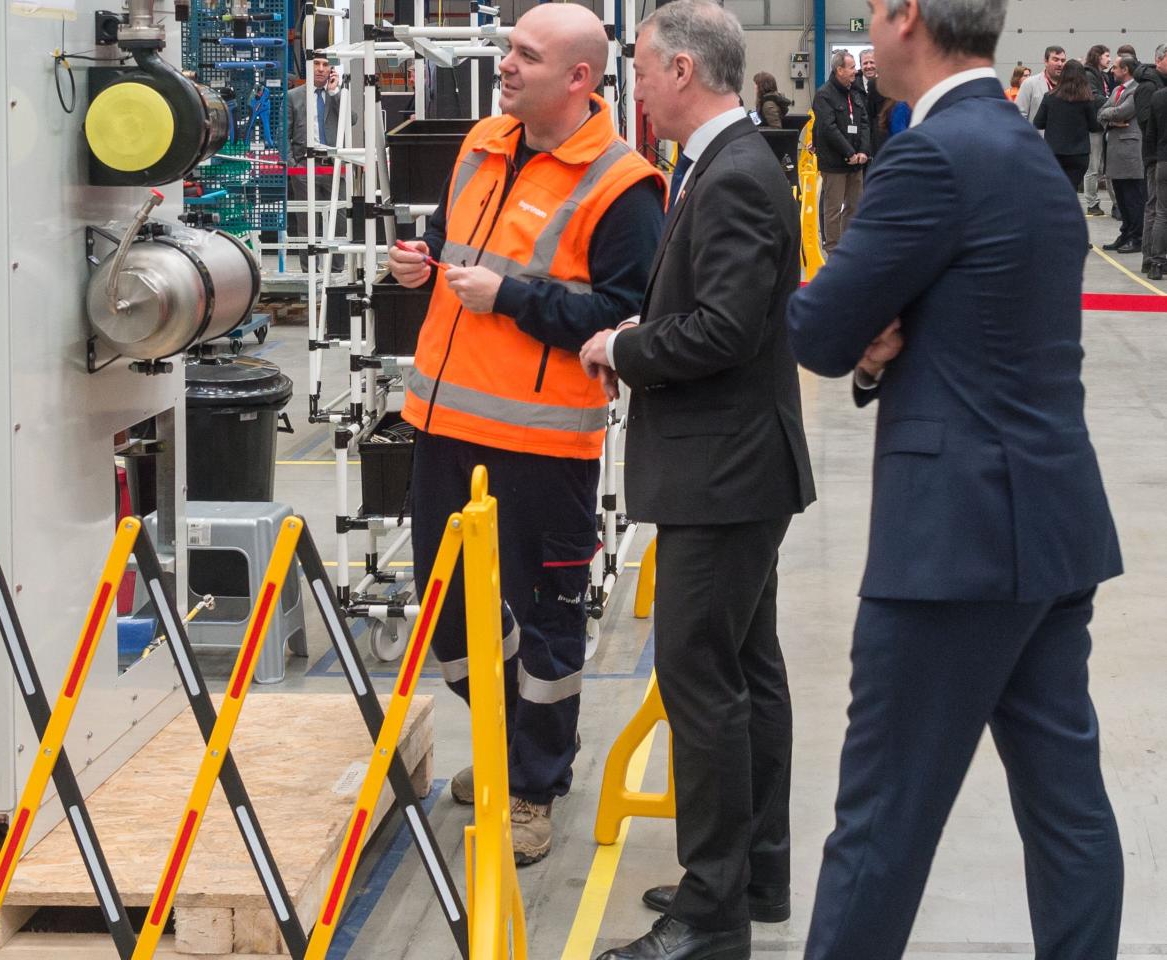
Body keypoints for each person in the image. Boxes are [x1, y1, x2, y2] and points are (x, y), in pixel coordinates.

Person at [786, 0, 1126, 956]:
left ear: (908, 19)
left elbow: (817, 327)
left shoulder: (930, 156)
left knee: (882, 822)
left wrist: (858, 338)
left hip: (954, 543)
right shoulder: (1023, 154)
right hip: (1051, 525)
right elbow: (986, 331)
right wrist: (880, 350)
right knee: (1068, 814)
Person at [387, 1, 664, 866]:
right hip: (443, 423)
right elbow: (450, 242)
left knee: (545, 623)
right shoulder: (481, 142)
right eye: (509, 49)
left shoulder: (623, 186)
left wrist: (508, 300)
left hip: (544, 445)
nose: (505, 65)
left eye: (526, 55)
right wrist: (418, 262)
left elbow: (627, 316)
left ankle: (535, 787)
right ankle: (511, 746)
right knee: (445, 613)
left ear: (579, 79)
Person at [579, 2, 814, 956]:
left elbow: (726, 328)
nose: (631, 84)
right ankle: (755, 876)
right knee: (747, 675)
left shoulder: (734, 177)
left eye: (638, 65)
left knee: (699, 681)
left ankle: (710, 914)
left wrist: (624, 344)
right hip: (734, 468)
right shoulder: (719, 166)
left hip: (726, 471)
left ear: (682, 70)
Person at [286, 58, 346, 268]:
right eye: (316, 63)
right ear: (309, 66)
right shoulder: (293, 97)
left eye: (325, 64)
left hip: (333, 166)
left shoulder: (338, 94)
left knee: (338, 221)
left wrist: (335, 93)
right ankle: (308, 272)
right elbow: (283, 132)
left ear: (332, 69)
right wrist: (292, 165)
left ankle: (338, 272)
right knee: (307, 222)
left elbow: (353, 119)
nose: (320, 69)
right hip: (304, 167)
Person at [813, 50, 872, 248]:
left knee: (854, 207)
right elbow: (829, 129)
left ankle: (849, 246)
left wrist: (863, 152)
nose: (855, 71)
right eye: (852, 67)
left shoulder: (855, 93)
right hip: (835, 163)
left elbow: (864, 122)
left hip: (856, 163)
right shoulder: (824, 95)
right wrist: (849, 153)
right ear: (839, 70)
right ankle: (833, 249)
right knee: (833, 209)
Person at [1034, 58, 1104, 191]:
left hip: (1054, 152)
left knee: (1055, 190)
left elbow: (1038, 123)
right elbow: (1094, 126)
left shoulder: (1049, 97)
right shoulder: (1087, 98)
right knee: (1071, 190)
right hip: (1079, 154)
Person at [1099, 56, 1146, 253]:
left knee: (1133, 198)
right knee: (1121, 197)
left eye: (1115, 68)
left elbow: (1122, 112)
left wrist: (1108, 116)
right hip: (1117, 154)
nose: (1112, 71)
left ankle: (1137, 237)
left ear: (1125, 69)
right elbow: (1100, 111)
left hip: (1130, 153)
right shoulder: (1119, 90)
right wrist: (1110, 118)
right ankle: (1126, 232)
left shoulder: (1136, 90)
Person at [1132, 47, 1162, 268]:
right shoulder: (1148, 87)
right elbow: (1145, 122)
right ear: (1158, 60)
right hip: (1155, 154)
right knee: (1154, 205)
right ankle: (1150, 257)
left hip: (1159, 152)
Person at [1082, 44, 1115, 215]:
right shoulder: (1089, 74)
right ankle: (1092, 203)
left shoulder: (1100, 75)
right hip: (1094, 127)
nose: (1109, 59)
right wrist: (1114, 103)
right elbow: (1094, 97)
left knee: (1102, 167)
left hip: (1101, 124)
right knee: (1093, 167)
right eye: (1107, 55)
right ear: (1098, 56)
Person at [1145, 45, 1167, 278]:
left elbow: (1150, 133)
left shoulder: (1158, 97)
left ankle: (1157, 263)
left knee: (1161, 213)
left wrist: (1150, 160)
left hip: (1162, 161)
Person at [1015, 44, 1065, 130]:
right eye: (1055, 59)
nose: (1060, 64)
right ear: (1046, 61)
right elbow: (1019, 115)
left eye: (1063, 60)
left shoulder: (1069, 86)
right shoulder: (1030, 84)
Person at [858, 48, 887, 132]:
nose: (869, 66)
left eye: (872, 62)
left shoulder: (887, 86)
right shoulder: (852, 86)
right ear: (860, 66)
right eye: (865, 63)